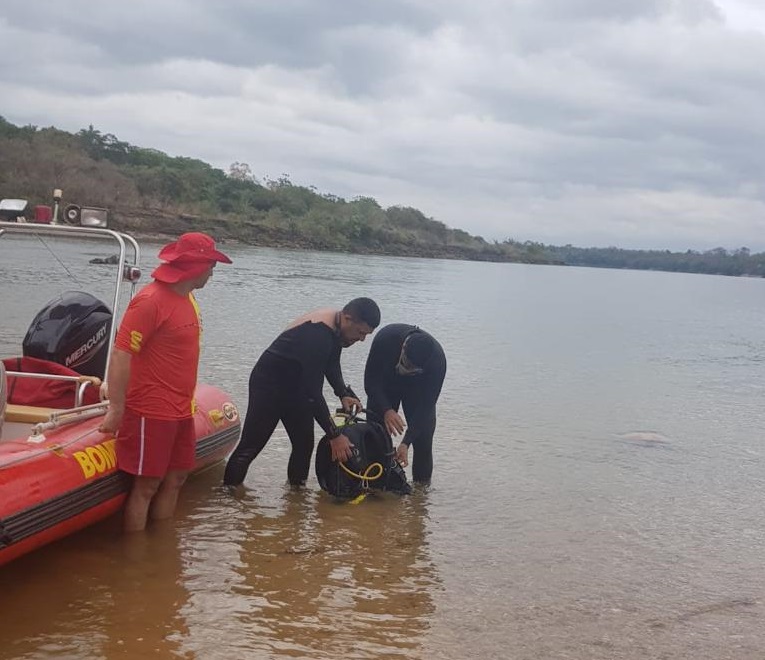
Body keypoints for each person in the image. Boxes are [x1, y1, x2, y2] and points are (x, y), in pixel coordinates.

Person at [99, 232, 232, 532]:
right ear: (196, 265)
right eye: (211, 265)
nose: (213, 272)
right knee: (146, 487)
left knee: (177, 478)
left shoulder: (188, 300)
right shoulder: (150, 301)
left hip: (182, 408)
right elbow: (122, 354)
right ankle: (136, 559)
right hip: (151, 409)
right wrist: (117, 408)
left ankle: (162, 553)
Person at [223, 298, 381, 488]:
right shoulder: (318, 334)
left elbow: (331, 362)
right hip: (269, 386)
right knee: (250, 447)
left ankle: (296, 497)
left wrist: (343, 392)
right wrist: (335, 436)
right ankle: (228, 497)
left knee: (304, 446)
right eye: (361, 332)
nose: (362, 339)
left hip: (296, 387)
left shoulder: (336, 326)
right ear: (348, 319)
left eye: (366, 335)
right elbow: (313, 392)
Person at [364, 324, 446, 485]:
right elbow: (370, 383)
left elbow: (426, 407)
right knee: (376, 436)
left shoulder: (437, 362)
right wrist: (387, 409)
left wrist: (405, 443)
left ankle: (420, 496)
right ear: (403, 347)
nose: (406, 370)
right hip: (385, 384)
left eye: (412, 369)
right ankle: (375, 487)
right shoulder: (385, 339)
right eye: (406, 364)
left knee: (423, 440)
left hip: (417, 390)